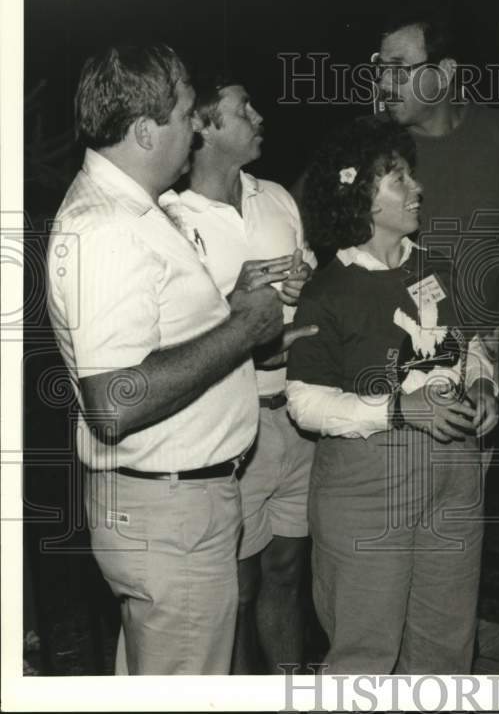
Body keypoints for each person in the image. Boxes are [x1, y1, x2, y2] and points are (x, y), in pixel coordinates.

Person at [45, 43, 297, 674]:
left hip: (168, 508)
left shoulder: (132, 211)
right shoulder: (110, 229)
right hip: (170, 515)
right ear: (144, 130)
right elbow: (112, 403)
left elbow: (153, 335)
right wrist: (243, 328)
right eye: (187, 114)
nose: (195, 129)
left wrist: (225, 306)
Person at [285, 116, 499, 673]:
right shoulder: (327, 290)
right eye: (398, 179)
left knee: (446, 649)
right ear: (361, 195)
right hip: (367, 488)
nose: (416, 188)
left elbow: (469, 347)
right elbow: (305, 403)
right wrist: (400, 407)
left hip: (454, 478)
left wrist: (481, 385)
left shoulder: (436, 268)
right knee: (364, 654)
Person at [160, 76, 317, 674]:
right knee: (238, 590)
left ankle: (288, 692)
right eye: (241, 108)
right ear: (202, 126)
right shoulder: (171, 219)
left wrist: (304, 287)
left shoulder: (277, 196)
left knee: (286, 573)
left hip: (296, 420)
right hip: (233, 429)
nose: (257, 114)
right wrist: (233, 305)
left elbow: (307, 286)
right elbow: (169, 336)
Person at [374, 14, 499, 328]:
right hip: (390, 343)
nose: (385, 83)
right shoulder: (364, 145)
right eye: (381, 68)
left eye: (400, 69)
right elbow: (293, 217)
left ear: (444, 72)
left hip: (482, 352)